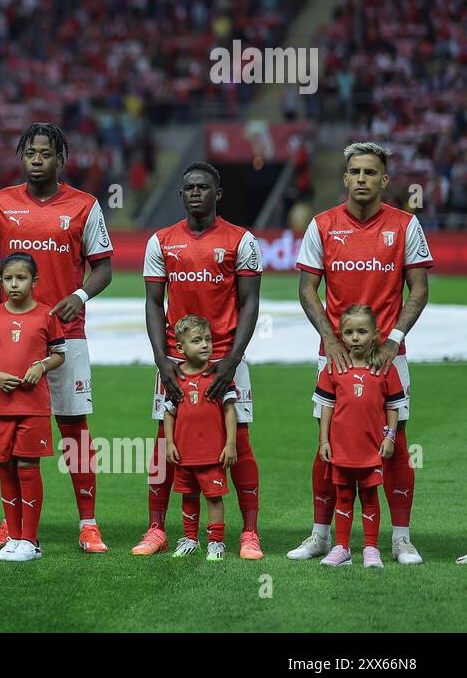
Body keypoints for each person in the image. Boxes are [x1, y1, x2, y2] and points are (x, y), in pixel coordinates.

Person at [0, 123, 112, 553]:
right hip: (12, 340)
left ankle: (88, 524)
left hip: (66, 336)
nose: (36, 159)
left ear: (60, 158)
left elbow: (104, 267)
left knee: (75, 430)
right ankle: (10, 525)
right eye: (30, 152)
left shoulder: (85, 206)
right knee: (11, 434)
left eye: (45, 153)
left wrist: (80, 293)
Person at [290, 142, 431, 565]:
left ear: (385, 180)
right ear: (345, 177)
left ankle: (400, 539)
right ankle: (321, 535)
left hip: (389, 356)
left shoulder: (406, 225)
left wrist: (392, 340)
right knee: (329, 443)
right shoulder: (322, 225)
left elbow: (419, 290)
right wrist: (330, 340)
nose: (363, 179)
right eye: (356, 172)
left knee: (396, 443)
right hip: (334, 356)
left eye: (372, 172)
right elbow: (306, 290)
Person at [135, 161, 264, 559]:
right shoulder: (160, 241)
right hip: (174, 363)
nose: (194, 192)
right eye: (188, 187)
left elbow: (249, 302)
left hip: (226, 359)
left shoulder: (241, 241)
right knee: (166, 445)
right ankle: (157, 529)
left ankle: (249, 533)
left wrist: (232, 359)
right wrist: (162, 360)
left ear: (217, 194)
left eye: (203, 187)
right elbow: (154, 305)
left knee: (237, 443)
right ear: (180, 195)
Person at [0, 253, 66, 562]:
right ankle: (13, 536)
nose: (14, 284)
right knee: (6, 466)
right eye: (8, 278)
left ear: (34, 282)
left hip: (32, 407)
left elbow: (58, 354)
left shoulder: (46, 316)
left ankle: (30, 540)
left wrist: (41, 366)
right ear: (1, 281)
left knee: (27, 466)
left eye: (21, 278)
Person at [314, 305, 404, 569]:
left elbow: (393, 407)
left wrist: (389, 438)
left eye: (362, 332)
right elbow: (326, 407)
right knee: (343, 495)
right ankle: (342, 548)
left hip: (371, 449)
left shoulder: (385, 369)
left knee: (369, 497)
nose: (355, 337)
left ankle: (371, 549)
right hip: (342, 448)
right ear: (341, 335)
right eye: (349, 332)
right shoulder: (334, 368)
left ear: (375, 334)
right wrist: (324, 440)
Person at [161, 315, 238, 562]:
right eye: (197, 340)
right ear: (181, 347)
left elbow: (229, 410)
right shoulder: (175, 378)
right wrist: (170, 443)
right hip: (185, 452)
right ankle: (191, 539)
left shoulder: (219, 375)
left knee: (214, 497)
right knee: (189, 495)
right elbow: (169, 413)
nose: (205, 344)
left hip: (212, 452)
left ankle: (216, 543)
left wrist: (230, 444)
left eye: (207, 339)